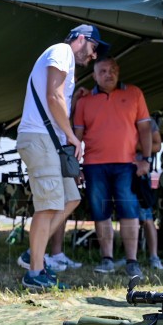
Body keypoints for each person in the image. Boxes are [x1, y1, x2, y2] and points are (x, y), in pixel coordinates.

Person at [15, 24, 106, 289]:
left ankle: (34, 252)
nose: (94, 56)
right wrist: (73, 137)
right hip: (40, 138)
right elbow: (53, 96)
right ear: (81, 39)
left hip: (49, 141)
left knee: (71, 198)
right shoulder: (62, 50)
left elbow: (57, 100)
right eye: (93, 48)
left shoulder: (66, 60)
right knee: (49, 205)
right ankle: (35, 274)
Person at [74, 57, 152, 279]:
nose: (109, 74)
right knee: (101, 213)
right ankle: (106, 259)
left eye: (113, 70)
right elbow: (76, 137)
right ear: (95, 75)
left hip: (127, 165)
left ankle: (132, 262)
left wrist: (146, 159)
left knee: (129, 212)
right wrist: (75, 166)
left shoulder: (134, 93)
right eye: (104, 71)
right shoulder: (84, 101)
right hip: (93, 165)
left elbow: (145, 129)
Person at [136, 112, 163, 270]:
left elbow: (158, 145)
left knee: (147, 217)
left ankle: (154, 256)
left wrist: (133, 145)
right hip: (119, 173)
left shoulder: (149, 121)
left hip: (141, 175)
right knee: (129, 217)